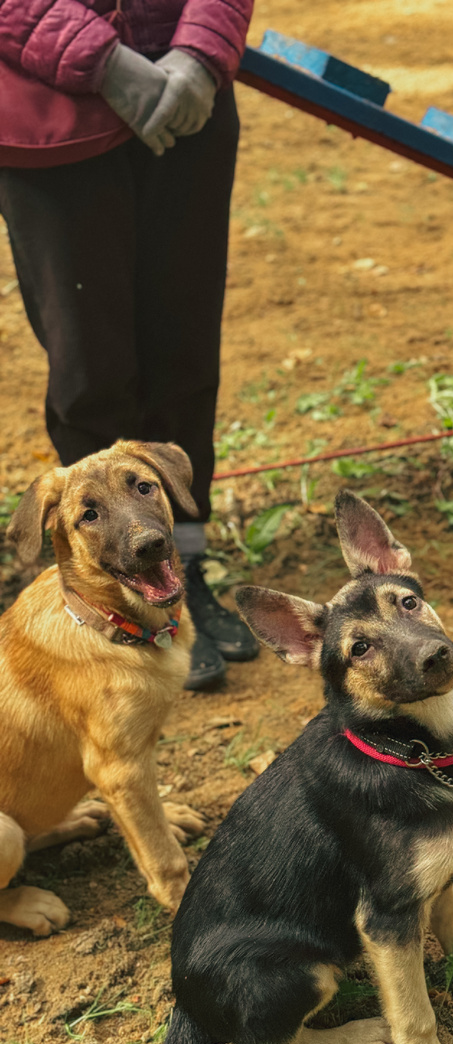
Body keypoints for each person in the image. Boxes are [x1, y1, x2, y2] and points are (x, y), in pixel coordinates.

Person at [0, 0, 257, 688]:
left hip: (188, 102)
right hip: (51, 112)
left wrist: (200, 55)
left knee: (186, 359)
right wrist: (101, 60)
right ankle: (108, 594)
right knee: (92, 372)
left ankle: (183, 571)